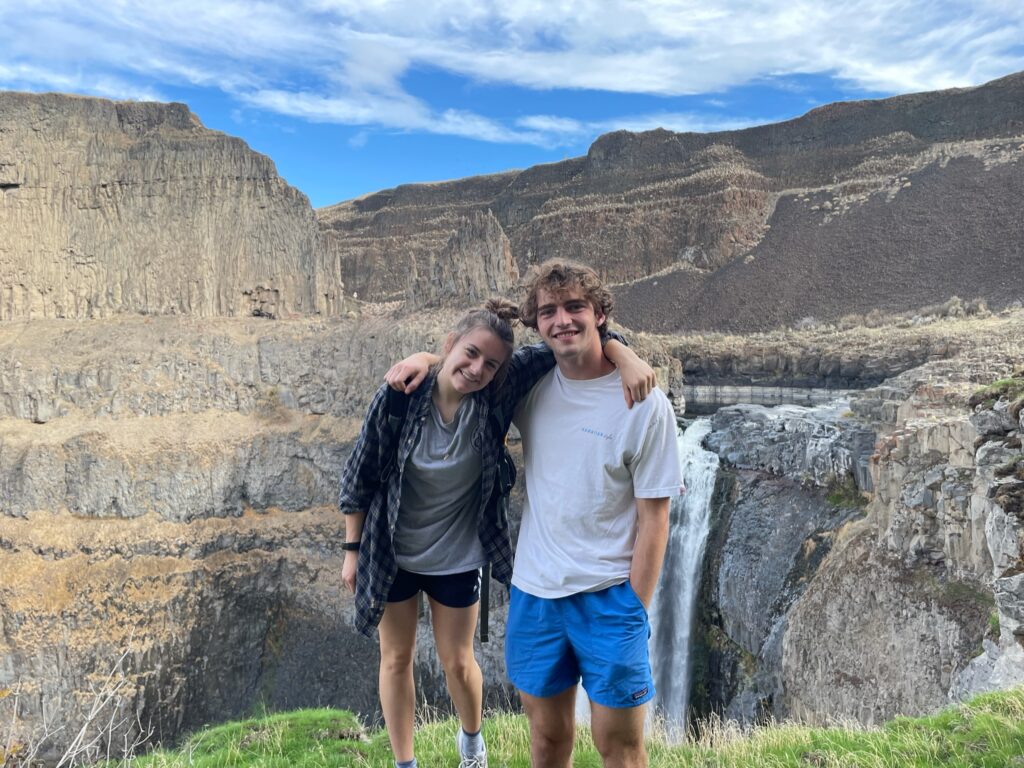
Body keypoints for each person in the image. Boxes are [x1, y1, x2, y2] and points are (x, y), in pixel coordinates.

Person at [339, 298, 655, 768]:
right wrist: (351, 550)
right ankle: (405, 763)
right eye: (469, 354)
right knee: (395, 659)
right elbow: (360, 474)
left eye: (491, 364)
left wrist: (625, 354)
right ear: (448, 345)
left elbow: (569, 344)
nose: (477, 368)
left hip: (459, 554)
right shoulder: (400, 396)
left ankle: (472, 743)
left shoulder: (495, 397)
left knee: (458, 662)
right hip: (390, 552)